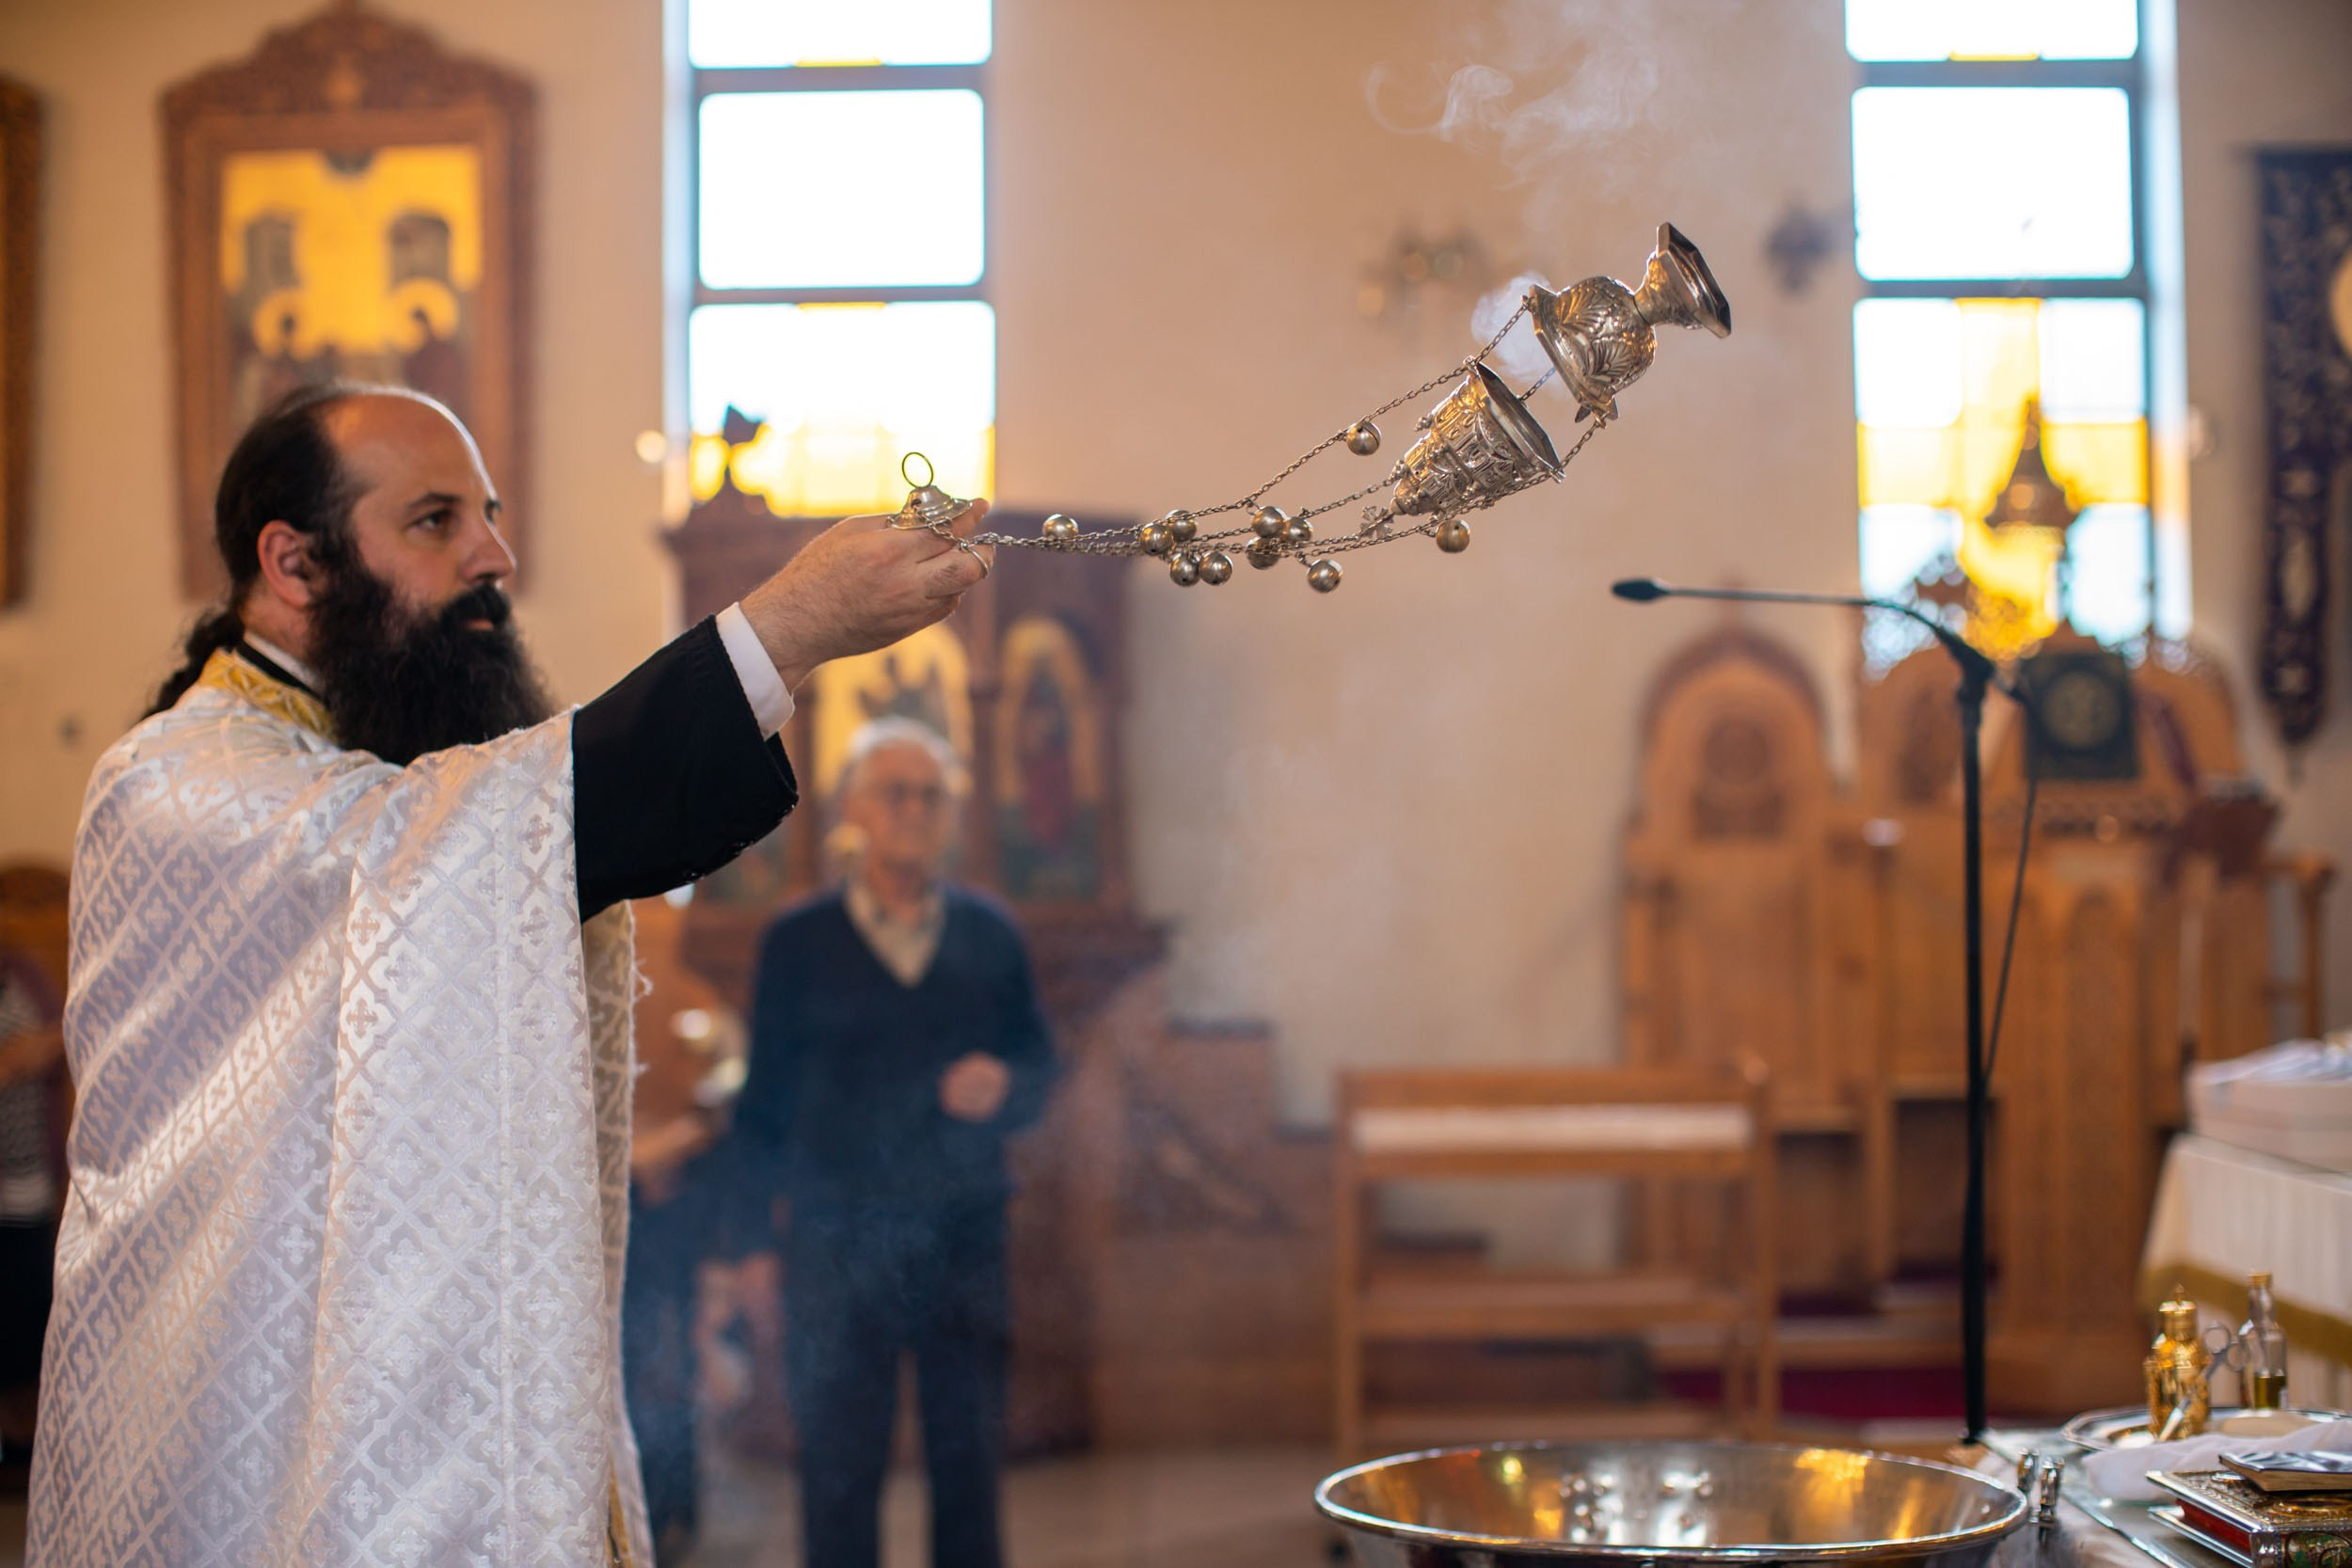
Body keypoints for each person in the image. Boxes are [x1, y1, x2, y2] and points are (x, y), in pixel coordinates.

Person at [29, 382, 991, 1568]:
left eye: (486, 511)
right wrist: (782, 629)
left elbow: (479, 829)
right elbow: (470, 833)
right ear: (294, 560)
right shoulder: (179, 779)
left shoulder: (365, 762)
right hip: (243, 1429)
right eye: (435, 520)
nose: (496, 554)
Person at [730, 718, 1056, 1568]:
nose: (914, 810)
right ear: (854, 809)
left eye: (932, 795)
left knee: (969, 1464)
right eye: (896, 792)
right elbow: (760, 1102)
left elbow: (1041, 1069)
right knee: (838, 1466)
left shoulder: (992, 931)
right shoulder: (796, 940)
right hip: (834, 1244)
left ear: (954, 813)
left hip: (963, 1239)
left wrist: (1006, 1084)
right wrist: (750, 1246)